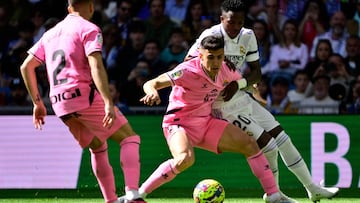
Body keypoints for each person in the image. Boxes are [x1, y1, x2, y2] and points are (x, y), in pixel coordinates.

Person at [186, 0, 339, 202]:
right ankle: (274, 194)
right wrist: (218, 74)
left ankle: (312, 188)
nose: (235, 27)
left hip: (241, 96)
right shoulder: (210, 36)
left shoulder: (248, 36)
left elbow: (256, 73)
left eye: (240, 22)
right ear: (222, 19)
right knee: (269, 144)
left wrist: (238, 84)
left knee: (283, 138)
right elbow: (188, 65)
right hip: (221, 105)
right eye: (231, 22)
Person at [127, 34, 288, 203]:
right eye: (210, 58)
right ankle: (139, 195)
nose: (216, 63)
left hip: (206, 123)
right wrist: (152, 92)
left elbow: (245, 82)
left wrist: (257, 95)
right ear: (201, 56)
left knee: (249, 144)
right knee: (185, 159)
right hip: (179, 123)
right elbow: (152, 83)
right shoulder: (187, 71)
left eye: (219, 57)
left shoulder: (226, 69)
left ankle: (273, 195)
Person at [19, 1, 146, 203]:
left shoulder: (50, 33)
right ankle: (132, 195)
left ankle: (111, 200)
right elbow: (96, 65)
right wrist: (107, 101)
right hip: (82, 95)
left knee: (97, 146)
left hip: (59, 103)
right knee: (129, 138)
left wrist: (37, 103)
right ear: (91, 6)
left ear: (69, 7)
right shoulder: (89, 28)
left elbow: (26, 67)